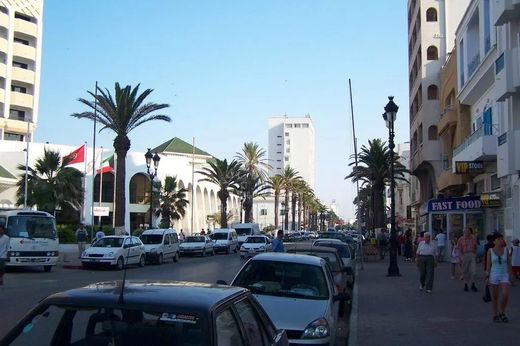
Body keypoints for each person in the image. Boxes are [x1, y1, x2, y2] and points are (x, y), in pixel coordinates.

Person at [486, 232, 514, 323]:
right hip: (494, 274)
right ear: (494, 241)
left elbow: (509, 263)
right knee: (495, 296)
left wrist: (511, 275)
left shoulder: (506, 250)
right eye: (499, 239)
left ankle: (502, 311)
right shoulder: (490, 251)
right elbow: (488, 265)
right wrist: (487, 276)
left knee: (505, 294)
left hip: (504, 274)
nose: (501, 240)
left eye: (502, 239)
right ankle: (495, 314)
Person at [457, 227, 479, 292]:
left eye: (468, 231)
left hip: (472, 254)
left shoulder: (473, 238)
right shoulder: (461, 239)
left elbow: (476, 247)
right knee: (465, 271)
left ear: (470, 232)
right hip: (465, 255)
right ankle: (465, 284)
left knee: (473, 271)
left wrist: (475, 254)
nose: (466, 233)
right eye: (465, 232)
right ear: (463, 232)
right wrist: (461, 257)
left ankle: (473, 284)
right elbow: (459, 249)